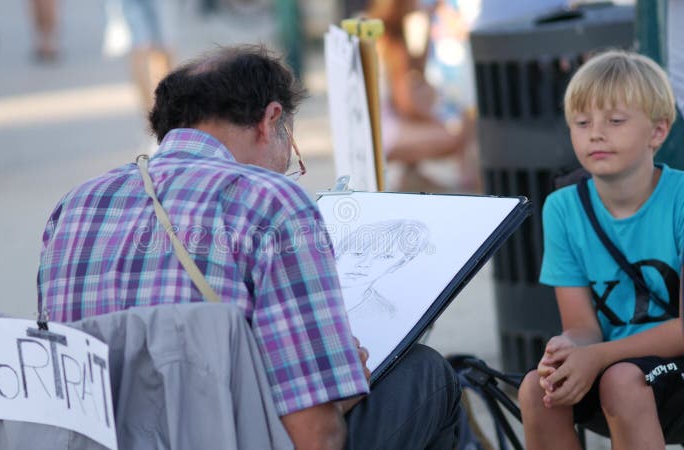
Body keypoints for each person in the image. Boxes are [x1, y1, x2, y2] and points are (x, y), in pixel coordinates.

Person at [37, 45, 460, 449]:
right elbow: (314, 439)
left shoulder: (76, 204)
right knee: (426, 374)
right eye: (291, 148)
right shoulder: (269, 202)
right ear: (270, 119)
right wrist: (341, 392)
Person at [517, 50, 684, 449]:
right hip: (613, 364)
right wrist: (569, 349)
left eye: (615, 121)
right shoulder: (562, 207)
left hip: (663, 367)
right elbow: (583, 327)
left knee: (622, 381)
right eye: (582, 122)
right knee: (537, 390)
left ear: (657, 132)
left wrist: (600, 357)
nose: (596, 133)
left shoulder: (680, 198)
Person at [368, 0, 477, 193]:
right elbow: (406, 104)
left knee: (458, 122)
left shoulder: (383, 34)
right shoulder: (392, 42)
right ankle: (468, 182)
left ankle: (413, 177)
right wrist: (437, 120)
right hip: (384, 133)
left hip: (380, 127)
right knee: (460, 131)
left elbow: (416, 73)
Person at [335, 219, 431, 319]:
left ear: (398, 264)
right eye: (358, 254)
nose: (364, 264)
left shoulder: (385, 314)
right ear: (338, 253)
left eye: (384, 257)